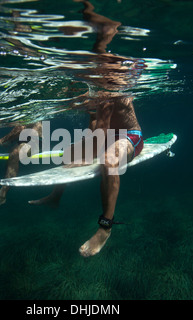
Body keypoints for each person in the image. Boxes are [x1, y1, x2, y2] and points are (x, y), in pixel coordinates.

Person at [29, 0, 145, 257]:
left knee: (109, 159)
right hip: (108, 136)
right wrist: (77, 155)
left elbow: (101, 131)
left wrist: (87, 155)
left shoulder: (108, 84)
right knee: (69, 152)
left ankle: (105, 227)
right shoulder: (95, 89)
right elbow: (97, 128)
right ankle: (55, 197)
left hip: (132, 137)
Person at [0, 122, 42, 210]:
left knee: (14, 153)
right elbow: (21, 129)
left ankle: (2, 195)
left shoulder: (35, 118)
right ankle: (8, 144)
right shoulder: (23, 116)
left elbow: (22, 129)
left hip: (37, 143)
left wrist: (2, 140)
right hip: (25, 141)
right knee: (12, 151)